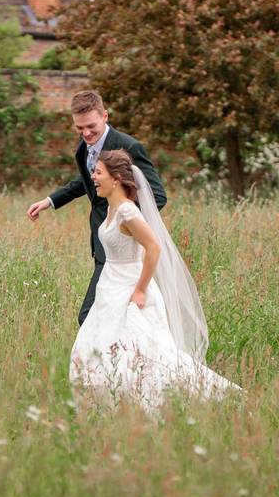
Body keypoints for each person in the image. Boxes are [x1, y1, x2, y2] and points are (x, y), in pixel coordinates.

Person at [68, 149, 241, 413]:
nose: (93, 177)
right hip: (109, 288)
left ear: (116, 179)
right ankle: (106, 409)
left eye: (98, 172)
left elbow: (154, 247)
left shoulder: (127, 211)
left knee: (147, 354)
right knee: (96, 347)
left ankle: (194, 401)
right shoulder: (112, 209)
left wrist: (140, 290)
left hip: (130, 290)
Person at [27, 90, 166, 326]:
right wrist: (50, 201)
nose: (86, 133)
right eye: (80, 128)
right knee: (116, 315)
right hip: (103, 244)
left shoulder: (129, 146)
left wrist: (125, 222)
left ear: (105, 116)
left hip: (122, 247)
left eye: (91, 126)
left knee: (90, 317)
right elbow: (87, 181)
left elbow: (158, 196)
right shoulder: (83, 148)